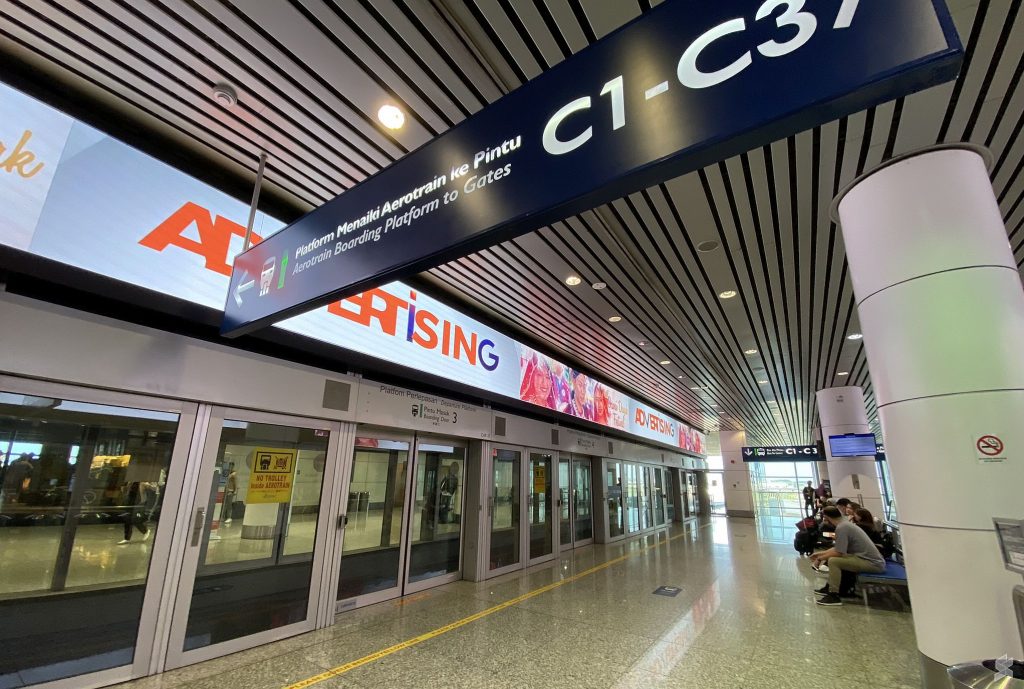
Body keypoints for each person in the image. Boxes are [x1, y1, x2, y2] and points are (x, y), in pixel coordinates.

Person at [811, 506, 886, 606]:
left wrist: (820, 559)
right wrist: (820, 554)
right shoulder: (845, 524)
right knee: (835, 559)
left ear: (826, 517)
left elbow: (839, 552)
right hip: (868, 559)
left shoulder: (842, 528)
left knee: (833, 561)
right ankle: (830, 588)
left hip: (873, 563)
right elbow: (839, 548)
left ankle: (833, 595)